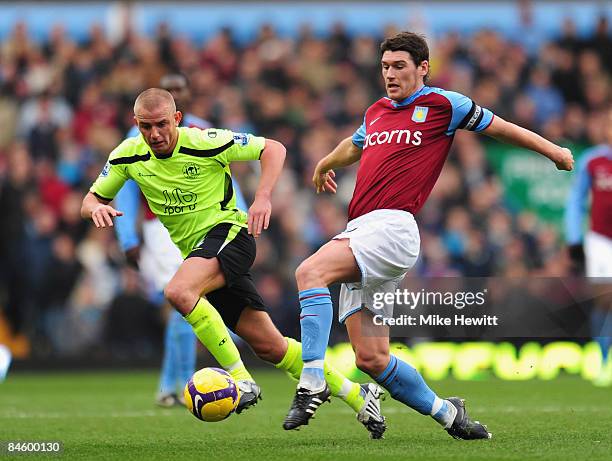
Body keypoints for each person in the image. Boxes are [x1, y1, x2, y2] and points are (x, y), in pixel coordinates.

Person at [283, 31, 574, 438]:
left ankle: (312, 381)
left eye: (399, 66)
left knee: (308, 273)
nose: (390, 74)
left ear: (423, 68)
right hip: (362, 231)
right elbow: (354, 146)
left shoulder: (444, 104)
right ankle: (450, 415)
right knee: (371, 358)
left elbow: (502, 128)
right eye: (385, 66)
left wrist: (555, 152)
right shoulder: (376, 112)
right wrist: (323, 164)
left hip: (393, 228)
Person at [81, 88, 387, 437]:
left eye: (162, 124)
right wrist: (97, 208)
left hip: (230, 235)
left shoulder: (205, 141)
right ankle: (359, 395)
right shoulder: (127, 155)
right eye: (147, 126)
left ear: (177, 119)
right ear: (136, 124)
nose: (155, 134)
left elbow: (273, 148)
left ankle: (242, 381)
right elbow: (90, 199)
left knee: (179, 291)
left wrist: (262, 197)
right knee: (271, 346)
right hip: (201, 255)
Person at [114, 73, 248, 407]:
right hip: (161, 230)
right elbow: (124, 191)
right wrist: (127, 236)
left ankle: (172, 385)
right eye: (168, 90)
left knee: (183, 304)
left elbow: (227, 178)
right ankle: (180, 383)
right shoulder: (139, 137)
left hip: (210, 227)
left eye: (178, 92)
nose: (174, 95)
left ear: (183, 101)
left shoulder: (202, 130)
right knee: (182, 303)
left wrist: (243, 217)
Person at [565, 106, 612, 387]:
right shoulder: (593, 161)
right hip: (600, 239)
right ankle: (603, 359)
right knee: (605, 299)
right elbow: (576, 201)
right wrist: (573, 238)